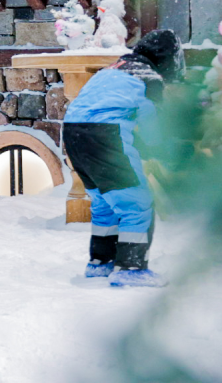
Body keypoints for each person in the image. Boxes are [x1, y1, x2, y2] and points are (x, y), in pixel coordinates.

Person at [63, 29, 183, 287]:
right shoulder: (149, 77)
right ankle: (131, 268)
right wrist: (159, 147)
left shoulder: (113, 67)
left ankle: (100, 263)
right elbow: (149, 122)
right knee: (137, 202)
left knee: (104, 202)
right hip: (105, 135)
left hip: (73, 132)